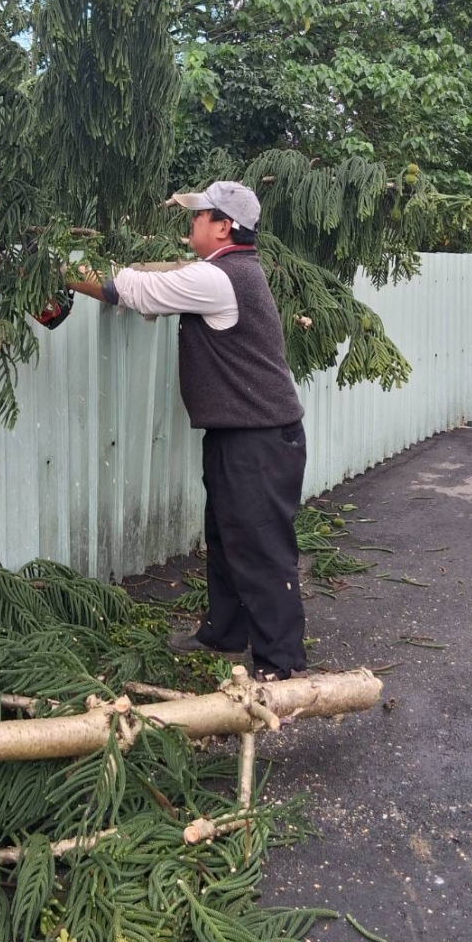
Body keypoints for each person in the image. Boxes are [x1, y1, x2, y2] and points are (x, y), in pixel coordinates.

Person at [66, 180, 308, 681]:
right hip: (240, 432)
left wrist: (57, 271)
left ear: (224, 226)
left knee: (261, 548)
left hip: (259, 439)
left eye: (199, 215)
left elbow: (127, 289)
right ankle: (223, 633)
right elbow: (165, 274)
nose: (191, 221)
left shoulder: (220, 279)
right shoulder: (223, 270)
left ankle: (280, 667)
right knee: (226, 537)